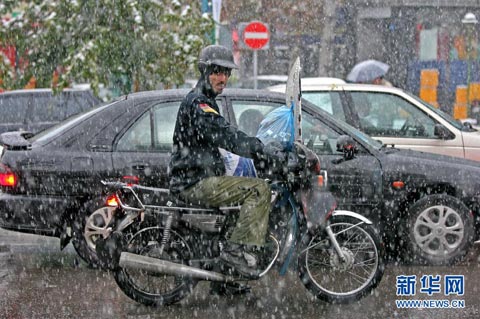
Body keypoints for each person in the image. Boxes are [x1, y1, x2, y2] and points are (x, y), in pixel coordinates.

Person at [168, 45, 281, 295]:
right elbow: (226, 135)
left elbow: (223, 136)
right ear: (204, 71)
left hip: (199, 176)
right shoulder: (199, 104)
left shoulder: (205, 100)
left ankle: (225, 281)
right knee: (259, 191)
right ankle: (234, 253)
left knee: (236, 210)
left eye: (226, 73)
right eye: (217, 72)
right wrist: (260, 149)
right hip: (194, 181)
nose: (223, 78)